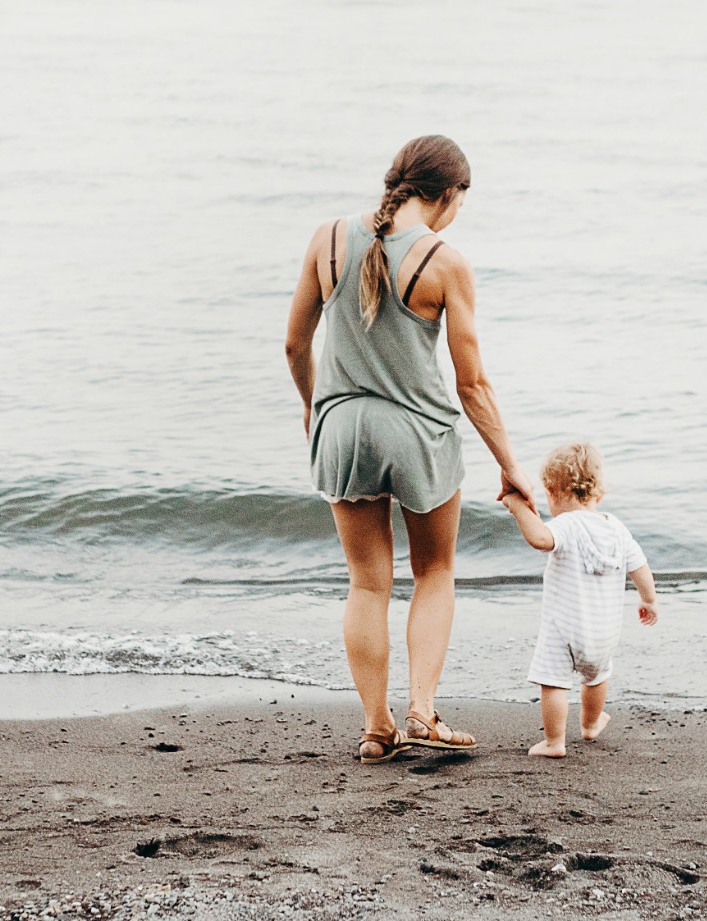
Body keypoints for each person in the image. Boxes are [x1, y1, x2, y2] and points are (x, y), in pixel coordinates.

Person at [285, 135, 535, 764]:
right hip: (418, 431)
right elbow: (471, 382)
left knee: (367, 585)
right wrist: (511, 466)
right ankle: (423, 709)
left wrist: (319, 411)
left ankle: (377, 727)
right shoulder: (445, 262)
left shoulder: (328, 238)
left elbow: (294, 346)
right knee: (435, 573)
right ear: (447, 196)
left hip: (343, 427)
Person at [500, 443, 658, 758]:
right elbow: (639, 566)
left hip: (565, 628)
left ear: (553, 493)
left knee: (554, 683)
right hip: (604, 630)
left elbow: (541, 539)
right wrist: (648, 599)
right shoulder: (616, 528)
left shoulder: (567, 525)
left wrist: (517, 506)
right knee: (597, 677)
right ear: (598, 493)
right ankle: (590, 723)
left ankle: (554, 742)